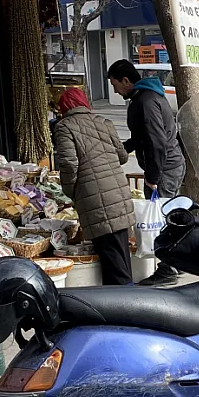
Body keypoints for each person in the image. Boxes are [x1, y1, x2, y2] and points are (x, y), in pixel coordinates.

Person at [107, 59, 185, 286]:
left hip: (165, 167)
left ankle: (167, 269)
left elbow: (156, 142)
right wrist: (122, 149)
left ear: (125, 80)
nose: (114, 90)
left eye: (115, 85)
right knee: (168, 215)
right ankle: (175, 262)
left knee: (160, 218)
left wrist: (152, 178)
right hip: (168, 165)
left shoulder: (145, 101)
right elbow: (142, 138)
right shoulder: (144, 97)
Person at [52, 88, 134, 286]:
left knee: (112, 260)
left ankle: (124, 307)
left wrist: (70, 191)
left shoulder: (65, 127)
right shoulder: (104, 122)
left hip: (94, 197)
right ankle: (128, 299)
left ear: (65, 107)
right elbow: (122, 156)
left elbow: (69, 164)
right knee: (121, 254)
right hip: (118, 193)